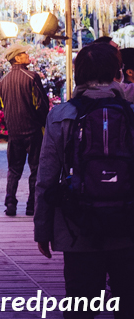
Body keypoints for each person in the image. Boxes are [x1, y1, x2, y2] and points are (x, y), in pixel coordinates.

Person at [35, 43, 134, 319]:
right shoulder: (130, 114)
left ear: (78, 74)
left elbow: (46, 178)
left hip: (76, 228)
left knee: (80, 305)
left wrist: (43, 230)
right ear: (117, 74)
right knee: (129, 302)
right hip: (128, 226)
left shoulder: (60, 115)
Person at [0, 44, 50, 216]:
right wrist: (45, 124)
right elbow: (40, 105)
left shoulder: (3, 81)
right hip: (33, 131)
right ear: (17, 58)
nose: (28, 55)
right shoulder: (31, 77)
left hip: (14, 133)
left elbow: (1, 105)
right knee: (36, 168)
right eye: (24, 53)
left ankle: (10, 203)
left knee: (14, 169)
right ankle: (31, 205)